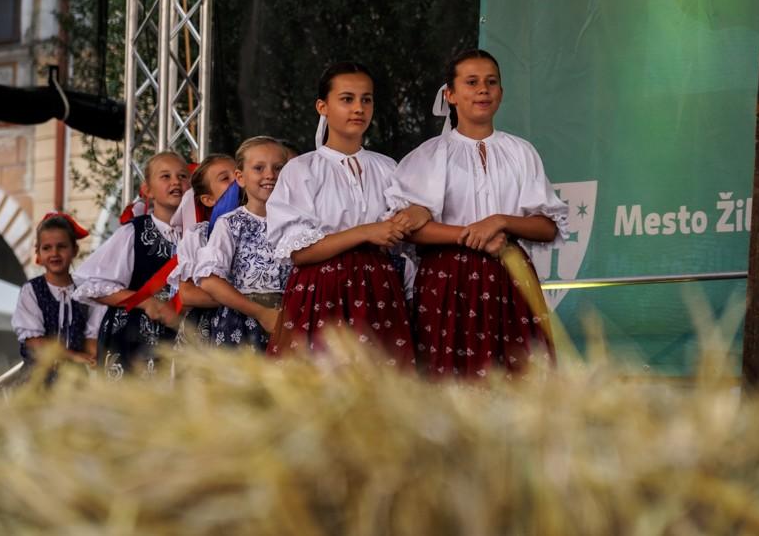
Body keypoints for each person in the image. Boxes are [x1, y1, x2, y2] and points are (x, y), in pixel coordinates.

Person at [386, 49, 569, 378]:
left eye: (491, 82)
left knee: (521, 377)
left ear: (501, 92)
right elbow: (410, 228)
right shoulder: (429, 155)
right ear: (450, 95)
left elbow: (547, 227)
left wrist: (499, 221)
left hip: (509, 275)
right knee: (452, 379)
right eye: (471, 82)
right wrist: (471, 236)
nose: (483, 90)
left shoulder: (521, 151)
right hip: (448, 280)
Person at [265, 62, 425, 366]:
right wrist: (366, 232)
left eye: (367, 99)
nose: (359, 108)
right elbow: (299, 251)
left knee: (379, 387)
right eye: (347, 99)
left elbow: (407, 228)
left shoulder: (389, 167)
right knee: (320, 384)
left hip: (379, 290)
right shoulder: (302, 169)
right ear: (322, 106)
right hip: (321, 291)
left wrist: (415, 214)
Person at [75, 151, 189, 380]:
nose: (176, 182)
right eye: (165, 176)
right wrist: (146, 303)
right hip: (133, 341)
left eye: (183, 176)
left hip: (183, 340)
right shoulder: (132, 232)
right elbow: (93, 285)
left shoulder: (199, 234)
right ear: (147, 190)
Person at [195, 137, 289, 350]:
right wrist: (261, 312)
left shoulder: (298, 223)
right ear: (240, 177)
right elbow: (209, 280)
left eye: (278, 168)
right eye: (258, 168)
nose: (270, 175)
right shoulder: (231, 223)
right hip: (241, 327)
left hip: (288, 322)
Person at [11, 213, 104, 369]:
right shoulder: (31, 291)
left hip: (75, 383)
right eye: (47, 248)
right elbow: (34, 342)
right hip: (38, 382)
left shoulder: (86, 291)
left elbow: (91, 339)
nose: (54, 253)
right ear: (38, 253)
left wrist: (95, 357)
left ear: (74, 250)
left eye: (61, 246)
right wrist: (74, 356)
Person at [168, 153, 239, 342]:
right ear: (208, 199)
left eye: (238, 174)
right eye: (225, 179)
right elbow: (188, 294)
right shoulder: (199, 236)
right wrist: (250, 301)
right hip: (211, 330)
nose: (237, 182)